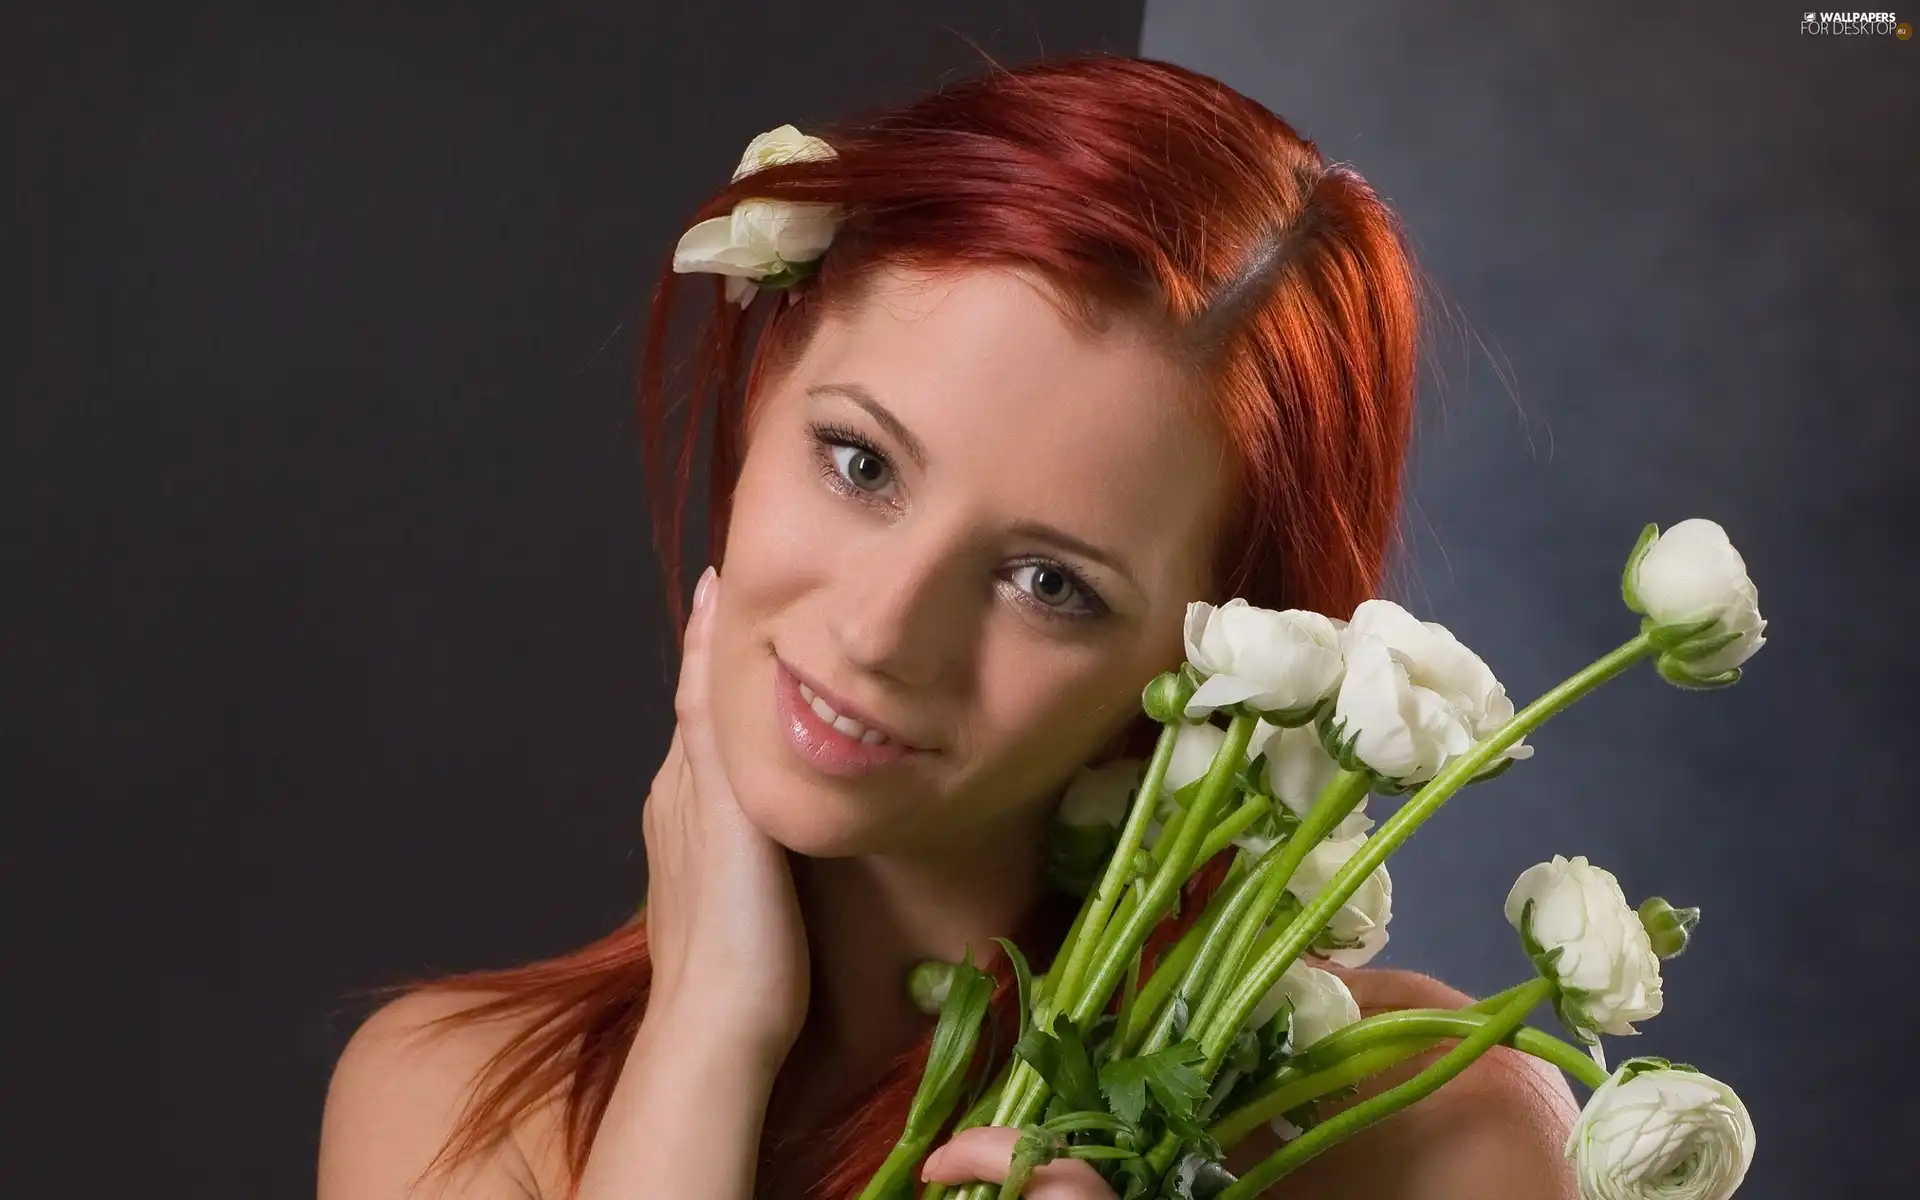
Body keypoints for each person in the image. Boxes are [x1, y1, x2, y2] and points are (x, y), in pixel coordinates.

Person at [317, 54, 1582, 1199]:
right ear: (768, 390)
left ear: (1216, 668)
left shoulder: (1425, 1137)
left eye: (1050, 584)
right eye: (860, 463)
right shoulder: (450, 1108)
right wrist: (707, 1029)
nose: (878, 632)